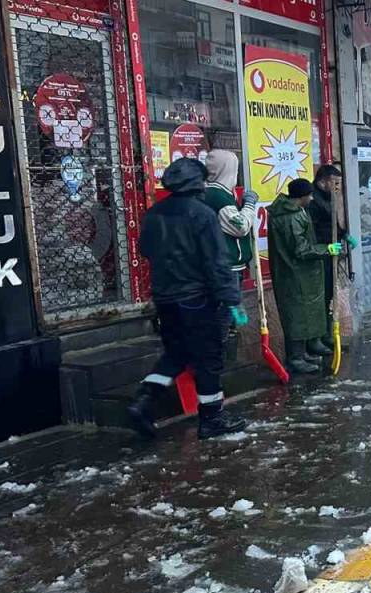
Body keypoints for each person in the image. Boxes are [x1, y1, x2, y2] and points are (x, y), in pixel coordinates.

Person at [127, 158, 248, 439]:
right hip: (197, 299)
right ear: (197, 183)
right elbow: (217, 262)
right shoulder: (202, 214)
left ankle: (144, 399)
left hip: (165, 298)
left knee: (177, 353)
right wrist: (232, 300)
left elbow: (145, 249)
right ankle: (212, 418)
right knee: (208, 358)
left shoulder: (154, 214)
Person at [268, 178, 344, 374]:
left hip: (302, 273)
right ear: (301, 197)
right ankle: (295, 357)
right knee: (296, 315)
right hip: (292, 273)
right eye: (309, 195)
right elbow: (300, 250)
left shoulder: (298, 211)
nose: (311, 198)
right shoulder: (289, 218)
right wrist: (325, 249)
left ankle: (303, 353)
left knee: (305, 312)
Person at [308, 164, 348, 349]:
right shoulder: (312, 200)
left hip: (330, 252)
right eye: (335, 183)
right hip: (320, 254)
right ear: (323, 181)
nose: (338, 187)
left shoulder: (328, 198)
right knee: (320, 296)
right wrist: (325, 247)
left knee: (330, 295)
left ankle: (327, 334)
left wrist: (344, 235)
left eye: (339, 183)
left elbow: (333, 223)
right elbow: (312, 231)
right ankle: (316, 338)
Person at [203, 150, 258, 278]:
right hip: (226, 268)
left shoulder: (213, 192)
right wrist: (249, 205)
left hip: (218, 264)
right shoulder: (218, 196)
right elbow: (241, 226)